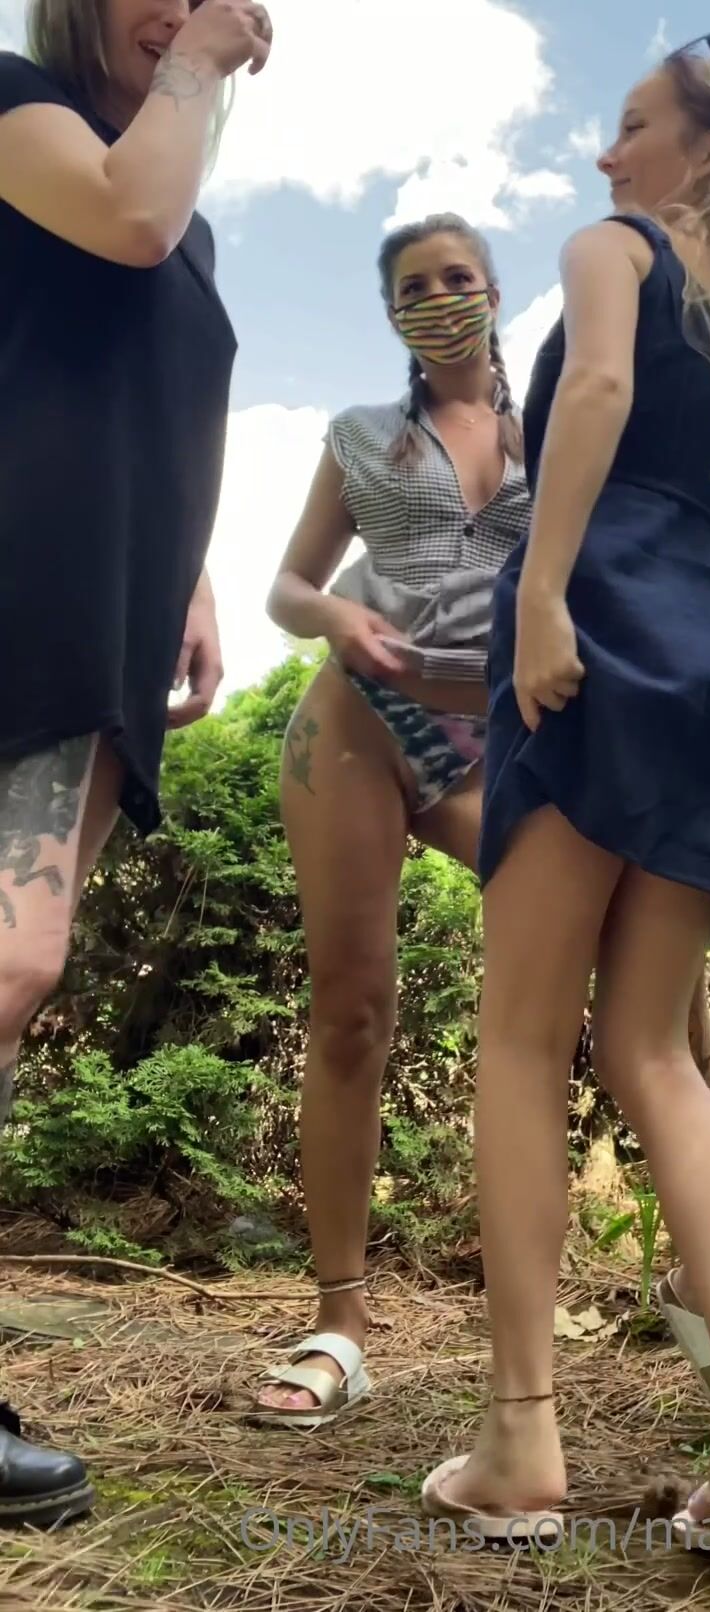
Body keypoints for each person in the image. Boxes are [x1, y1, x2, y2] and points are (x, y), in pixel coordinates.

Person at [419, 39, 710, 1553]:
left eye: (632, 129)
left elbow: (597, 385)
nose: (608, 158)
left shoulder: (612, 252)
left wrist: (542, 594)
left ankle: (519, 1441)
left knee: (524, 1037)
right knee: (654, 1049)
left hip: (594, 633)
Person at [254, 212, 710, 1428]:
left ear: (496, 291)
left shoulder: (563, 422)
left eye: (459, 277)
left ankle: (707, 1285)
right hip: (362, 725)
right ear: (391, 311)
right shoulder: (361, 438)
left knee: (652, 976)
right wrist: (336, 617)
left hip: (510, 732)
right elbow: (289, 584)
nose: (440, 297)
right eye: (415, 285)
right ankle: (341, 1319)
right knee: (352, 1007)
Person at [0, 0, 271, 1526]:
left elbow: (141, 407)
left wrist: (191, 576)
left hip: (103, 625)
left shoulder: (196, 225)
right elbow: (125, 218)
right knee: (12, 964)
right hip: (19, 596)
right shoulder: (12, 105)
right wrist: (200, 64)